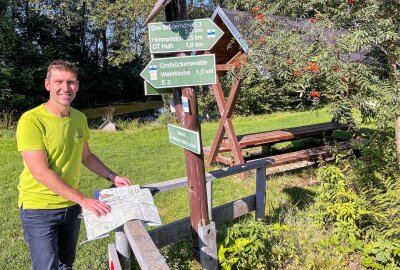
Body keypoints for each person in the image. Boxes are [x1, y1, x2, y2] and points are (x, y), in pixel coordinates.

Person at [16, 59, 131, 270]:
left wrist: (112, 176)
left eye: (71, 82)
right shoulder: (31, 120)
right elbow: (40, 172)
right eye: (59, 81)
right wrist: (84, 200)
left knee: (66, 264)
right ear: (47, 84)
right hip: (39, 208)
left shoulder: (79, 118)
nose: (65, 88)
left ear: (77, 85)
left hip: (70, 207)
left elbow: (85, 156)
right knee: (46, 267)